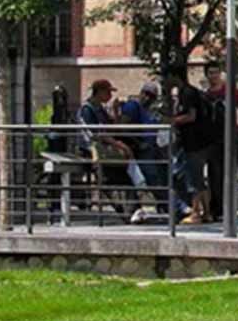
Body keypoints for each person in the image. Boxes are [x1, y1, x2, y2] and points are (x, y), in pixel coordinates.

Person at [120, 81, 186, 223]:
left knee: (162, 178)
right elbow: (123, 127)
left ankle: (173, 207)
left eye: (153, 97)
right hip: (141, 150)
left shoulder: (148, 110)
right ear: (142, 93)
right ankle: (174, 208)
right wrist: (138, 143)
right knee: (154, 180)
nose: (149, 99)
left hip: (153, 149)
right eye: (148, 95)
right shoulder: (133, 106)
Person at [76, 79, 139, 221]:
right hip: (92, 151)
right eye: (108, 92)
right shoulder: (87, 109)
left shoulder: (101, 109)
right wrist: (118, 144)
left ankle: (133, 210)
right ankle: (127, 211)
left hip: (106, 150)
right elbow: (94, 133)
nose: (110, 95)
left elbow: (111, 127)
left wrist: (116, 111)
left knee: (123, 176)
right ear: (99, 92)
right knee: (107, 179)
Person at [202, 60, 238, 222]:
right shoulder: (205, 95)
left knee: (229, 173)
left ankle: (227, 207)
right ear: (206, 75)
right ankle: (217, 208)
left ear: (220, 74)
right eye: (210, 73)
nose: (213, 76)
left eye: (216, 72)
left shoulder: (230, 91)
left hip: (230, 137)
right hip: (212, 139)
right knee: (214, 174)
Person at [168, 68, 212, 225]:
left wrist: (172, 121)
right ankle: (206, 213)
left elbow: (191, 116)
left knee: (193, 178)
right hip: (198, 142)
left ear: (175, 76)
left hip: (194, 142)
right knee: (198, 178)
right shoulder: (187, 92)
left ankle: (195, 213)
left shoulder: (187, 93)